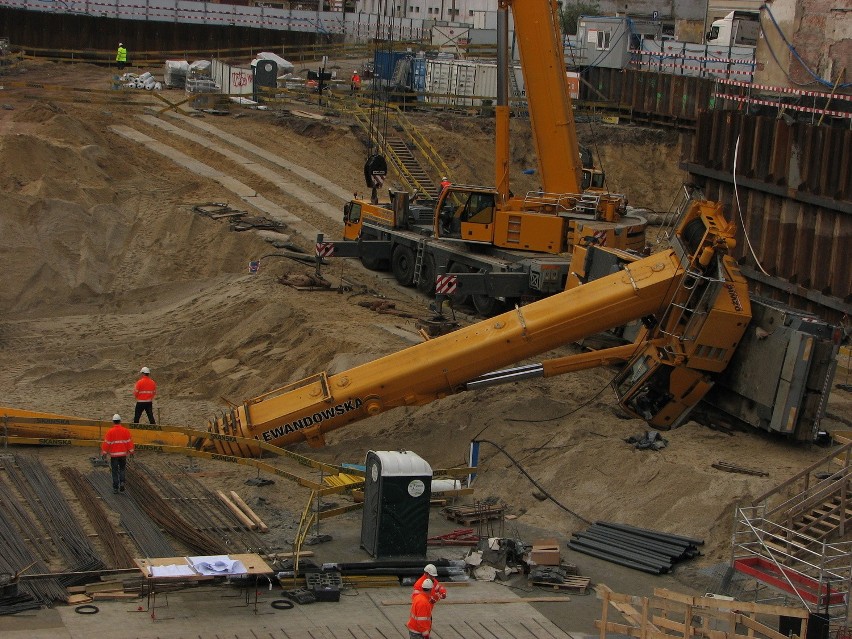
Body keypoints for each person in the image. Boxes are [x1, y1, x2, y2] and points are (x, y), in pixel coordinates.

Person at [102, 414, 134, 494]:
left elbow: (107, 444)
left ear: (113, 421)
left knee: (115, 471)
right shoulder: (125, 431)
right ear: (120, 421)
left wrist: (104, 453)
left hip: (114, 455)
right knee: (122, 469)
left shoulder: (110, 432)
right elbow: (129, 442)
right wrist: (131, 452)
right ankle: (122, 482)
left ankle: (116, 488)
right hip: (123, 455)